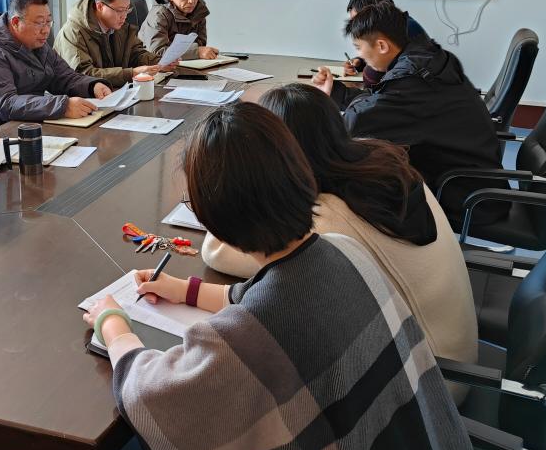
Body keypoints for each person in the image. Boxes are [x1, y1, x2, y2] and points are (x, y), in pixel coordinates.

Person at [82, 102, 470, 450]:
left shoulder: (245, 338)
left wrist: (113, 325)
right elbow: (263, 295)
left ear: (214, 220)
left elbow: (152, 397)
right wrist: (186, 290)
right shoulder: (343, 248)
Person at [202, 83, 477, 402]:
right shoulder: (383, 160)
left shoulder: (329, 217)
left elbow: (219, 252)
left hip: (429, 385)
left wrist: (235, 184)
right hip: (455, 352)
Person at [312, 1, 505, 227]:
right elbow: (380, 102)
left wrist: (321, 104)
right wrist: (336, 92)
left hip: (463, 196)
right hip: (470, 180)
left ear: (382, 45)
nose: (359, 56)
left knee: (344, 177)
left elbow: (355, 123)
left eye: (358, 47)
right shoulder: (426, 57)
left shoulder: (414, 78)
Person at [0, 0, 112, 126]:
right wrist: (63, 106)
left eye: (48, 22)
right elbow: (5, 104)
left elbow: (63, 76)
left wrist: (92, 86)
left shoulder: (36, 43)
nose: (46, 30)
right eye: (39, 23)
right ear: (15, 22)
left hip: (26, 120)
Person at [53, 0, 174, 88]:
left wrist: (160, 62)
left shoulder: (119, 26)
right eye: (120, 10)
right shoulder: (73, 33)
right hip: (82, 97)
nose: (124, 16)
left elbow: (136, 54)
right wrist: (131, 73)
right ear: (100, 6)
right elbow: (83, 74)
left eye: (127, 9)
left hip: (115, 92)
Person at [343, 0, 429, 85]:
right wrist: (361, 62)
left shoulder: (407, 31)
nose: (354, 28)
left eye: (357, 22)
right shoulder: (399, 23)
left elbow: (375, 78)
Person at [139, 0, 217, 61]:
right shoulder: (158, 15)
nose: (191, 1)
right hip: (150, 65)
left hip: (185, 63)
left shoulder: (199, 11)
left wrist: (200, 51)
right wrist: (196, 52)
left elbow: (200, 44)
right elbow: (156, 51)